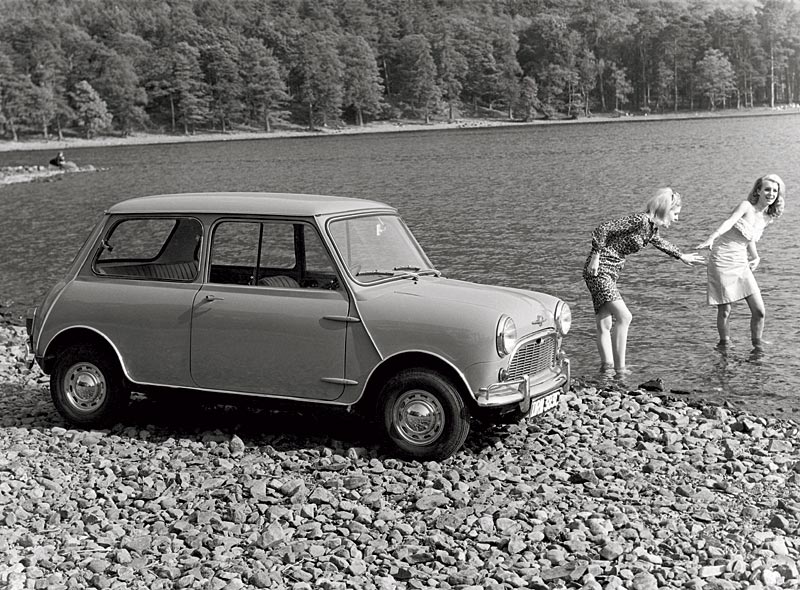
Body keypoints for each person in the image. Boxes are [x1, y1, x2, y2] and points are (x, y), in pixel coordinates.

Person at [583, 188, 705, 374]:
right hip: (600, 270)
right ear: (665, 208)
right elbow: (603, 228)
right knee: (625, 316)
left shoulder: (650, 229)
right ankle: (620, 369)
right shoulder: (640, 220)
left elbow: (661, 243)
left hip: (611, 272)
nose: (677, 218)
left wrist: (681, 256)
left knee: (604, 323)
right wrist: (596, 256)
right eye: (675, 213)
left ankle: (607, 369)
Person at [695, 174, 785, 351]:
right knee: (725, 310)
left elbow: (749, 237)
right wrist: (712, 236)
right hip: (722, 257)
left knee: (759, 311)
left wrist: (756, 256)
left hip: (740, 260)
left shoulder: (767, 217)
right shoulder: (746, 206)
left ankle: (757, 345)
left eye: (775, 191)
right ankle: (724, 344)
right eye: (767, 189)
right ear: (758, 190)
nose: (771, 193)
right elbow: (729, 222)